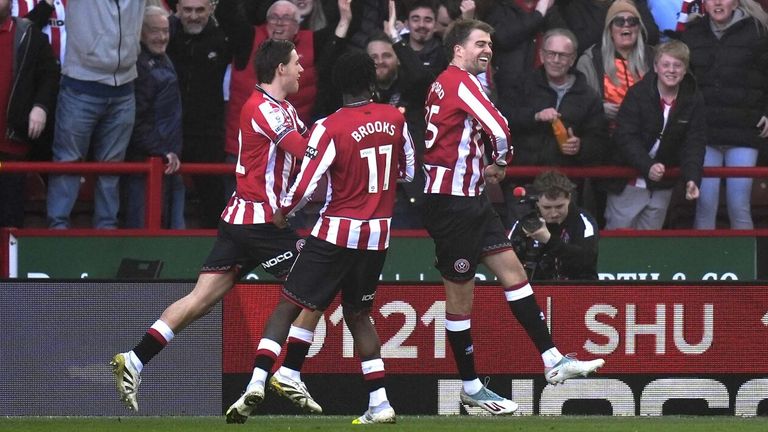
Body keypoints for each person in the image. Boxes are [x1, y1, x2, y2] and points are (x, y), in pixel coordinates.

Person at [110, 39, 324, 415]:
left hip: (240, 220)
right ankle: (285, 372)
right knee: (315, 288)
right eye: (296, 63)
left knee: (200, 300)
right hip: (262, 223)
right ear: (280, 69)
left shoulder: (285, 108)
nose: (301, 70)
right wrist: (343, 140)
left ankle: (135, 358)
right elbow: (305, 151)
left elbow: (307, 148)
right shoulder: (263, 108)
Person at [421, 19, 605, 416]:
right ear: (458, 49)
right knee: (460, 298)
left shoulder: (442, 82)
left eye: (490, 44)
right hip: (452, 203)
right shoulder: (462, 82)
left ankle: (552, 359)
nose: (487, 50)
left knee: (514, 274)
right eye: (479, 44)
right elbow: (500, 128)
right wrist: (501, 161)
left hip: (468, 199)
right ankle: (471, 387)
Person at [225, 50, 415, 425]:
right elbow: (407, 171)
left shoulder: (329, 126)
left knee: (288, 305)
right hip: (377, 236)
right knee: (359, 315)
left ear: (337, 84)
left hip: (335, 232)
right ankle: (380, 403)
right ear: (371, 80)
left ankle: (257, 381)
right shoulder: (395, 118)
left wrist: (285, 211)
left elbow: (306, 183)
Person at [46, 0, 146, 229]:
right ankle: (57, 230)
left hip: (124, 87)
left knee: (112, 167)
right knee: (68, 162)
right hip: (81, 84)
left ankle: (106, 230)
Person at [500, 28, 607, 217]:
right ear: (542, 55)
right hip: (524, 181)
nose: (556, 60)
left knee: (562, 236)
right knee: (522, 234)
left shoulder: (588, 96)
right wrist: (535, 116)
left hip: (565, 186)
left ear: (573, 59)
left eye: (563, 55)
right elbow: (502, 118)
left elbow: (600, 142)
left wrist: (580, 146)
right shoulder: (521, 85)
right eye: (551, 54)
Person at [682, 0, 768, 229]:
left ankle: (744, 255)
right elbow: (682, 83)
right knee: (704, 206)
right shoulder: (692, 33)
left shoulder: (758, 32)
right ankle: (704, 255)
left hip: (743, 132)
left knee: (739, 206)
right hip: (705, 134)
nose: (718, 2)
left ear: (736, 2)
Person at [604, 39, 705, 229]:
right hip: (627, 182)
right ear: (656, 67)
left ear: (685, 70)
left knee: (650, 242)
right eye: (666, 64)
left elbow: (694, 142)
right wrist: (647, 165)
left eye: (677, 65)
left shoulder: (693, 98)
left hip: (662, 186)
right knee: (619, 240)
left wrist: (692, 178)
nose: (671, 70)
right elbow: (625, 136)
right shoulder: (637, 93)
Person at [167, 0, 231, 228]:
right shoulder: (166, 36)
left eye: (199, 10)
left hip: (208, 131)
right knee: (165, 191)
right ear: (177, 10)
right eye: (187, 10)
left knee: (211, 193)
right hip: (170, 129)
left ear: (211, 9)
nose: (193, 16)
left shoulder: (223, 39)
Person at [122, 6, 185, 229]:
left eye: (165, 31)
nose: (162, 37)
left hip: (168, 160)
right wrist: (160, 151)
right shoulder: (138, 66)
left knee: (172, 228)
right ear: (140, 32)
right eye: (154, 31)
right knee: (143, 227)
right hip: (146, 162)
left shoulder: (163, 58)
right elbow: (136, 119)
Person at [0, 0, 59, 228]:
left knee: (10, 222)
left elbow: (50, 73)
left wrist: (40, 106)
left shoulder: (27, 33)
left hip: (11, 146)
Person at [509, 170, 599, 280]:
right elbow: (505, 261)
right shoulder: (527, 223)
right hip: (537, 287)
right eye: (547, 207)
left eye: (559, 206)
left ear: (569, 198)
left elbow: (587, 261)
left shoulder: (584, 222)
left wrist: (548, 240)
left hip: (577, 287)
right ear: (537, 202)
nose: (554, 213)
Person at [557, 0, 659, 57]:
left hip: (634, 65)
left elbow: (652, 34)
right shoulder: (569, 5)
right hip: (592, 71)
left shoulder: (631, 2)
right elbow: (574, 46)